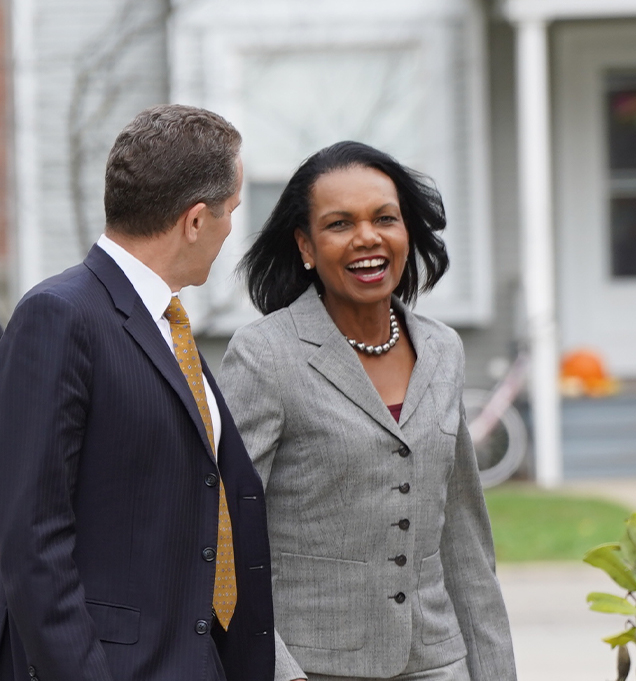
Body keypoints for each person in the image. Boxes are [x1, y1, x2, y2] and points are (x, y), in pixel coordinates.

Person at [218, 140, 516, 681]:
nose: (367, 238)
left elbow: (465, 540)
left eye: (385, 218)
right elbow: (222, 536)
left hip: (438, 661)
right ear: (305, 245)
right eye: (339, 224)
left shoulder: (443, 349)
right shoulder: (265, 356)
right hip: (313, 666)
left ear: (407, 232)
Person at [0, 105, 274, 681]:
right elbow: (30, 541)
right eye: (231, 211)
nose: (231, 228)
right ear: (195, 220)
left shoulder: (165, 322)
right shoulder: (60, 314)